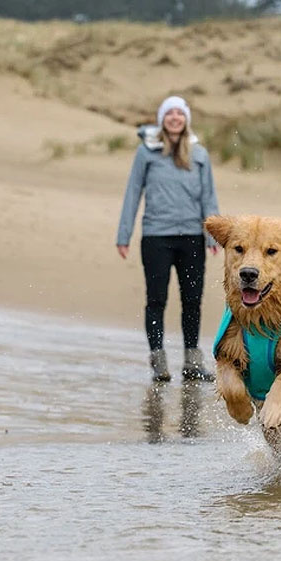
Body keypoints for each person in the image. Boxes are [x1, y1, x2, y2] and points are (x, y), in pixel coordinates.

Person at [116, 95, 219, 382]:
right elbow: (132, 193)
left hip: (192, 238)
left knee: (192, 300)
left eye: (180, 113)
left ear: (186, 119)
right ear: (162, 119)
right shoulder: (146, 152)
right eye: (170, 113)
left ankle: (192, 362)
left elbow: (209, 197)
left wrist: (213, 235)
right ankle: (159, 361)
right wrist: (124, 234)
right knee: (156, 299)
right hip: (156, 237)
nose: (175, 117)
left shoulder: (199, 154)